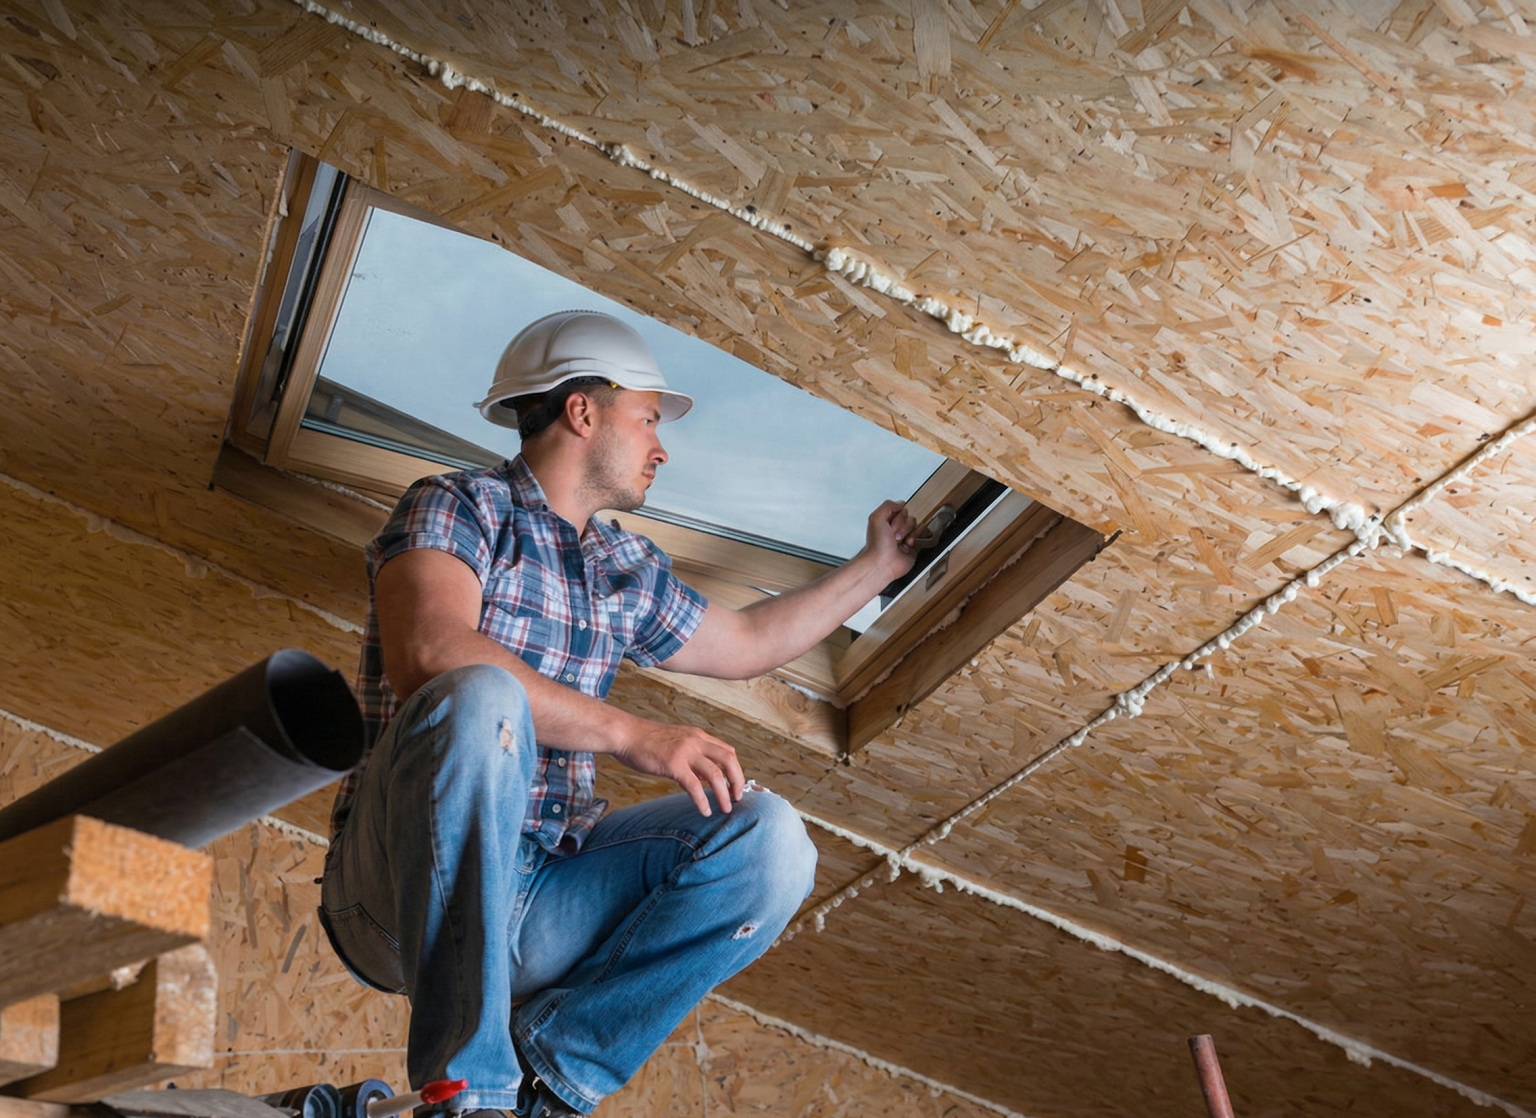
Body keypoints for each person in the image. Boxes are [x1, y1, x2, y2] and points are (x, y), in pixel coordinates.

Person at [319, 311, 918, 1118]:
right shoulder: (460, 504)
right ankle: (470, 1092)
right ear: (582, 411)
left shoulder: (618, 566)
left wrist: (875, 568)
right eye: (648, 419)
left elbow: (745, 640)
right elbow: (430, 651)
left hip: (536, 899)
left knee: (770, 842)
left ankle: (547, 1082)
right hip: (394, 889)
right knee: (479, 694)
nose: (661, 446)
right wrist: (631, 733)